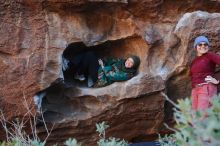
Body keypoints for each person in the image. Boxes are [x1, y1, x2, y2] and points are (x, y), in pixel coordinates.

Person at [65, 51, 140, 87]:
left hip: (101, 79)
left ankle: (70, 65)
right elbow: (110, 60)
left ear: (133, 66)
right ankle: (77, 71)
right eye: (128, 60)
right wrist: (102, 61)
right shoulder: (121, 62)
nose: (128, 62)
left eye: (131, 63)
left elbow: (112, 76)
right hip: (101, 70)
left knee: (89, 55)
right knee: (89, 56)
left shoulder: (128, 74)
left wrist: (103, 67)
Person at [190, 35, 220, 111]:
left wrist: (217, 80)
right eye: (200, 44)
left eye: (205, 44)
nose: (203, 46)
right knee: (194, 117)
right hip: (195, 90)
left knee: (202, 117)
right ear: (196, 47)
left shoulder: (210, 55)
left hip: (206, 88)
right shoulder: (194, 61)